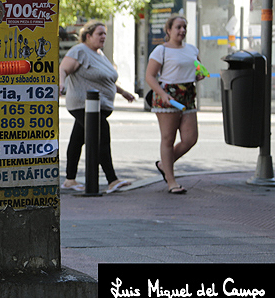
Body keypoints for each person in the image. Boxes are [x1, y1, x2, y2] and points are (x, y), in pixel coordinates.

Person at [59, 20, 135, 193]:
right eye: (99, 34)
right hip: (83, 104)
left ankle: (70, 179)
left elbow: (105, 78)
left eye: (105, 34)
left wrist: (122, 92)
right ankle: (112, 179)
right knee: (101, 136)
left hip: (97, 107)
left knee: (77, 140)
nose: (103, 37)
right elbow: (63, 69)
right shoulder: (80, 51)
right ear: (88, 36)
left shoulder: (99, 54)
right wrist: (61, 85)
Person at [145, 14, 206, 194]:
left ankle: (165, 164)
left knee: (190, 139)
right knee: (168, 138)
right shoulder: (161, 51)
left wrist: (200, 74)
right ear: (169, 30)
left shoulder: (192, 50)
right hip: (168, 96)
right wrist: (162, 94)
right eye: (178, 27)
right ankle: (171, 181)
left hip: (187, 95)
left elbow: (198, 70)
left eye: (184, 27)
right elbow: (150, 76)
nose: (182, 31)